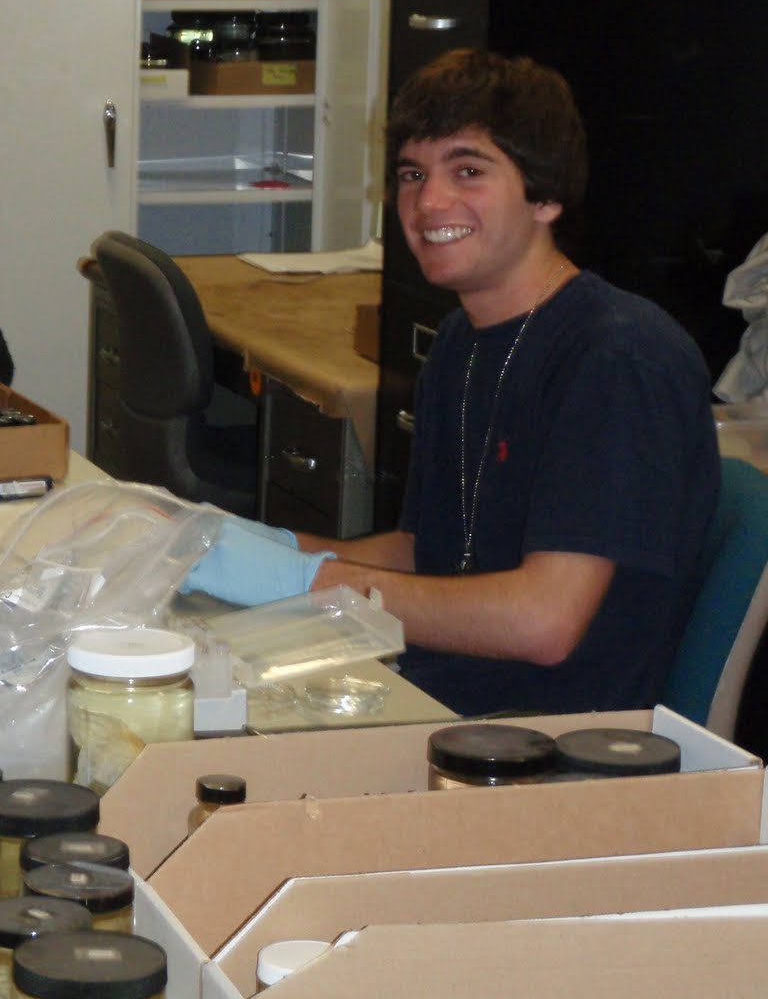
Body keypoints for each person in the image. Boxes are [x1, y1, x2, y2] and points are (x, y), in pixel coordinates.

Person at [185, 49, 721, 717]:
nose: (428, 201)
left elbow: (543, 623)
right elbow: (425, 552)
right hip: (444, 685)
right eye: (413, 173)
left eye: (468, 169)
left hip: (546, 737)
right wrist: (242, 542)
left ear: (546, 194)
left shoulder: (616, 359)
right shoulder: (463, 341)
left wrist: (307, 582)